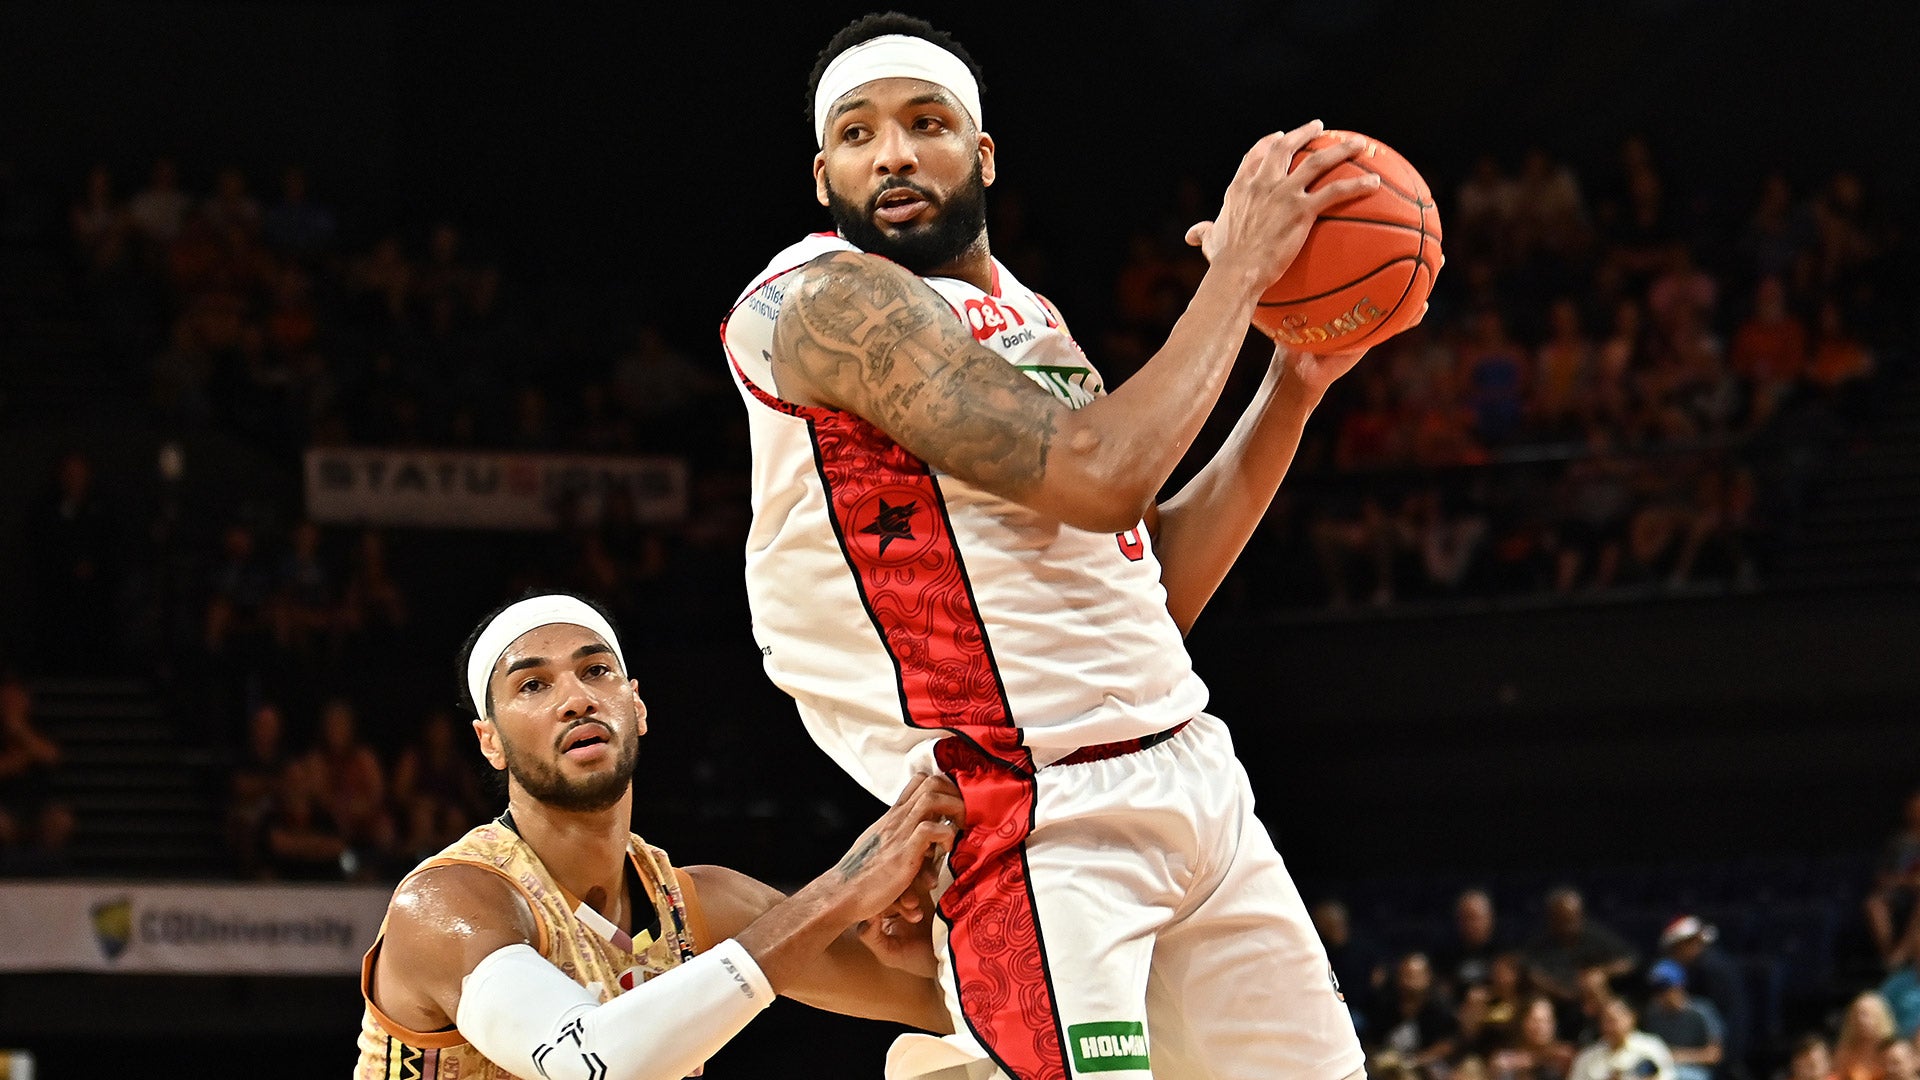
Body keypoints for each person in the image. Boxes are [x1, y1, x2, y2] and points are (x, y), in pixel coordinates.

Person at [720, 12, 1389, 1079]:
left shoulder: (1028, 316)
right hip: (1033, 814)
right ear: (821, 176)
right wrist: (1237, 274)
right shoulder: (823, 302)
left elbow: (1149, 588)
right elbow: (1100, 472)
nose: (892, 153)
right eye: (856, 133)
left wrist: (1292, 383)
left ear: (982, 155)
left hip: (1191, 772)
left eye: (926, 122)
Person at [353, 592, 963, 1080]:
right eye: (533, 685)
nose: (576, 699)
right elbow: (594, 1064)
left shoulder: (701, 903)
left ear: (637, 707)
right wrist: (838, 894)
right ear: (490, 742)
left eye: (596, 671)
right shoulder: (448, 905)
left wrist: (934, 961)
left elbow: (958, 1011)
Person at [1639, 960, 1723, 1080]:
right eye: (1656, 990)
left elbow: (1714, 1055)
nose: (1661, 995)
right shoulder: (1653, 1014)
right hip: (1660, 1067)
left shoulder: (1701, 1011)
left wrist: (1678, 1056)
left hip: (1694, 1070)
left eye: (1664, 988)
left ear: (1679, 986)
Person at [1568, 999, 1675, 1080]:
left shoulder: (1651, 1047)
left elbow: (1667, 1076)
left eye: (1613, 1020)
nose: (1609, 1027)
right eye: (1605, 1021)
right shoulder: (1587, 1056)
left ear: (1631, 1018)